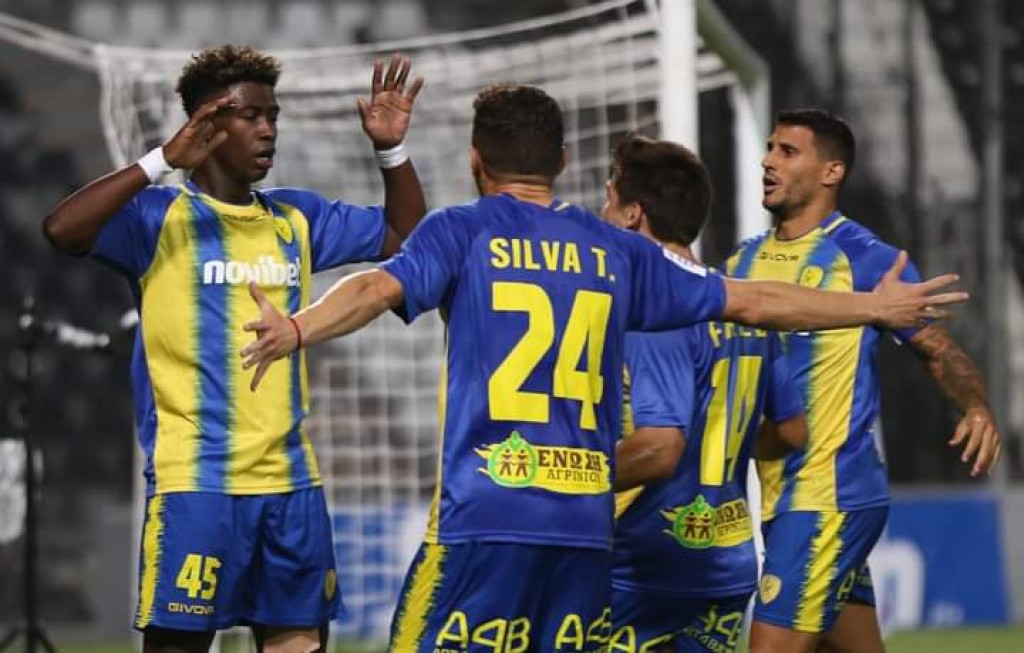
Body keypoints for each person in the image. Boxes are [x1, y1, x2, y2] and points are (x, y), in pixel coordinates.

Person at [239, 85, 964, 653]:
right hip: (584, 533)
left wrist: (296, 327)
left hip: (486, 518)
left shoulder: (461, 229)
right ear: (561, 161)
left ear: (476, 160)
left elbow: (374, 287)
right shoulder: (616, 250)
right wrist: (872, 308)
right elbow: (754, 301)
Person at [43, 45, 426, 653]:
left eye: (272, 115)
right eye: (251, 116)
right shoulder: (157, 217)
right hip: (197, 485)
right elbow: (63, 230)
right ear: (208, 126)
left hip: (291, 483)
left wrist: (391, 151)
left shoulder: (296, 217)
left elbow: (403, 234)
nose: (268, 129)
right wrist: (161, 161)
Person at [725, 109, 1002, 653]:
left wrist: (974, 405)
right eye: (770, 148)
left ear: (832, 172)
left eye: (787, 151)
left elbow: (938, 349)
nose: (767, 161)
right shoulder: (743, 261)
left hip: (829, 495)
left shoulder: (867, 260)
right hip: (780, 495)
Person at [602, 135, 809, 653]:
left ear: (632, 215)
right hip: (725, 557)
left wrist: (566, 480)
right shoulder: (740, 310)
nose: (600, 215)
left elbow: (659, 450)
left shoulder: (654, 309)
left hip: (644, 563)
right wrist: (716, 437)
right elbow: (791, 431)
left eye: (608, 199)